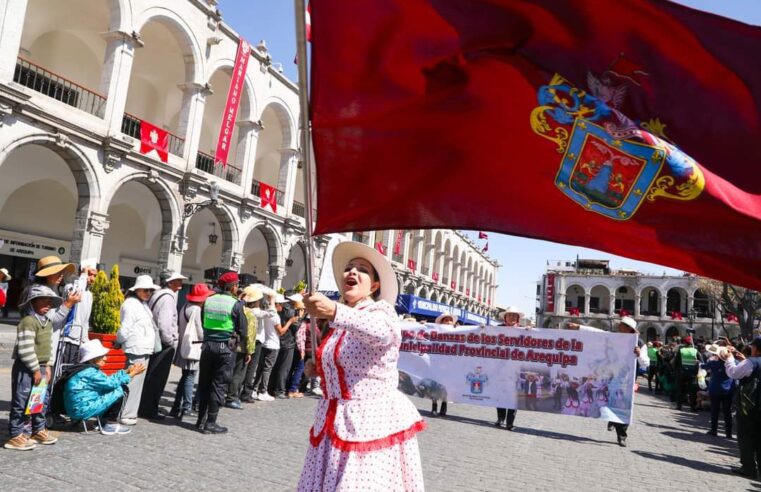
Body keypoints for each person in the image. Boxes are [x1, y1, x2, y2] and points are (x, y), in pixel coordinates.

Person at [298, 241, 425, 491]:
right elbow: (347, 364)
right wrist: (318, 369)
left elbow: (380, 333)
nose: (352, 272)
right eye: (349, 268)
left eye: (362, 269)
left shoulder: (381, 312)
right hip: (332, 422)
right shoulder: (340, 321)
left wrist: (335, 310)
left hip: (368, 424)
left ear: (374, 285)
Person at [566, 316, 648, 447]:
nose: (619, 326)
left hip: (627, 379)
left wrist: (639, 355)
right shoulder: (614, 337)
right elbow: (597, 332)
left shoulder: (639, 343)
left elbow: (645, 363)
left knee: (623, 405)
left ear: (629, 329)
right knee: (610, 401)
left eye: (622, 325)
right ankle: (614, 421)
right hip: (611, 377)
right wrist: (578, 327)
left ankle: (621, 434)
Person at [4, 285, 61, 450]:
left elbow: (49, 346)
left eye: (50, 301)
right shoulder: (28, 322)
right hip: (27, 367)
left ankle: (38, 430)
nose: (48, 304)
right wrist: (35, 369)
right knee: (21, 400)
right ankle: (15, 434)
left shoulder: (47, 322)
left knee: (40, 400)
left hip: (42, 367)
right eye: (44, 300)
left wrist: (48, 366)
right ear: (33, 302)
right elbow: (26, 348)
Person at [196, 272, 248, 434]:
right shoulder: (236, 304)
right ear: (232, 287)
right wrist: (244, 351)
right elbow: (243, 330)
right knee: (218, 384)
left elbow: (203, 320)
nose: (237, 288)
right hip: (225, 348)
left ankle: (200, 420)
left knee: (204, 382)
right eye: (237, 285)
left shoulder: (208, 300)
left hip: (207, 346)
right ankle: (211, 422)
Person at [63, 339, 146, 435]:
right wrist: (131, 374)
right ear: (92, 358)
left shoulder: (84, 369)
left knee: (109, 389)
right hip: (82, 410)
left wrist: (126, 371)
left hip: (75, 409)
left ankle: (102, 422)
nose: (105, 359)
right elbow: (111, 383)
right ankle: (111, 423)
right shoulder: (91, 372)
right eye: (102, 356)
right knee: (122, 389)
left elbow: (107, 381)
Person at [19, 256, 82, 368]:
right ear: (46, 274)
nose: (61, 275)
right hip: (37, 355)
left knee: (42, 383)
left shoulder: (49, 289)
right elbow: (51, 321)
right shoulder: (41, 292)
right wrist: (69, 304)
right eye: (57, 272)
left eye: (62, 272)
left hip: (45, 352)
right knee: (35, 383)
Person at [140, 272, 186, 420]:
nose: (181, 283)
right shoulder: (168, 299)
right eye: (177, 280)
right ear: (170, 282)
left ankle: (146, 406)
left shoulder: (158, 294)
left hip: (155, 341)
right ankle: (150, 409)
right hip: (162, 343)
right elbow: (164, 324)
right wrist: (171, 342)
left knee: (152, 376)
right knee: (158, 377)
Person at [116, 274, 161, 426]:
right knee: (132, 382)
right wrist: (119, 341)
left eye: (150, 290)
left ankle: (129, 412)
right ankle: (125, 413)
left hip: (143, 348)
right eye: (145, 290)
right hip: (136, 348)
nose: (148, 293)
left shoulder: (142, 304)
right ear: (137, 290)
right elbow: (125, 328)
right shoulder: (130, 304)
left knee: (136, 383)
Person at [171, 283, 214, 419]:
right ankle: (186, 408)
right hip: (192, 347)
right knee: (190, 377)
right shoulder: (195, 309)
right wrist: (206, 340)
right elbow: (199, 330)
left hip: (184, 345)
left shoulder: (185, 306)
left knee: (184, 377)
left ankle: (176, 407)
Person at [721, 337, 761, 478]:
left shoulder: (752, 361)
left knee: (746, 437)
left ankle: (748, 467)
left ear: (756, 348)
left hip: (749, 406)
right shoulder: (751, 361)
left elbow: (734, 373)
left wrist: (730, 358)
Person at [225, 285, 261, 409]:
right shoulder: (250, 314)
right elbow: (251, 335)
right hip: (242, 347)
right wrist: (250, 352)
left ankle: (228, 394)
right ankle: (232, 397)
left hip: (233, 344)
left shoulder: (239, 308)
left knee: (231, 371)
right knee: (238, 373)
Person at [58, 260, 97, 364]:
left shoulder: (89, 295)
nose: (92, 278)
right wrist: (84, 274)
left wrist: (85, 340)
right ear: (81, 273)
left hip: (79, 342)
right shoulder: (70, 287)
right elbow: (77, 293)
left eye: (94, 275)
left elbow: (85, 321)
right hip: (67, 340)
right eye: (89, 274)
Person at [495, 306, 527, 430]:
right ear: (505, 317)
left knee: (514, 396)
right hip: (500, 368)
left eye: (515, 315)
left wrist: (530, 331)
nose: (512, 317)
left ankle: (510, 422)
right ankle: (500, 418)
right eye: (510, 315)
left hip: (516, 370)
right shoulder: (496, 329)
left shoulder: (523, 331)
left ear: (518, 318)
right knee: (501, 394)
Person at [252, 292, 283, 401]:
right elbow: (281, 331)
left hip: (264, 343)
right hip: (273, 344)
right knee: (267, 369)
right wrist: (290, 322)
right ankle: (263, 391)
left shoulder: (264, 313)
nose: (282, 307)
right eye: (280, 304)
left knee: (261, 367)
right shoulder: (275, 316)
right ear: (276, 305)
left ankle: (254, 389)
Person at [702, 342, 734, 438]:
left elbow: (703, 366)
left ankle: (714, 430)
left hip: (715, 390)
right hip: (728, 390)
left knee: (715, 410)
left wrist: (699, 363)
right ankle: (728, 433)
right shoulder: (732, 364)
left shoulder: (714, 363)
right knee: (727, 412)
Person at [271, 294, 300, 399]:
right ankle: (280, 390)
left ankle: (271, 388)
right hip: (288, 342)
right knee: (284, 368)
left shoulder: (278, 310)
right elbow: (296, 328)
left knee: (276, 366)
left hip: (278, 341)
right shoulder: (291, 311)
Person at [431, 312, 457, 417]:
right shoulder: (435, 330)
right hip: (437, 362)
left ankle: (444, 405)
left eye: (450, 320)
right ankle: (434, 406)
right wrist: (422, 324)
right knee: (435, 386)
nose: (449, 322)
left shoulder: (456, 331)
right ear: (442, 322)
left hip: (449, 364)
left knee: (446, 386)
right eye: (446, 320)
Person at [673, 336, 702, 411]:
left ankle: (679, 406)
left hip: (682, 372)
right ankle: (692, 407)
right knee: (692, 391)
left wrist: (676, 371)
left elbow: (676, 362)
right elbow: (701, 361)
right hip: (692, 374)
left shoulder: (681, 350)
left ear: (684, 343)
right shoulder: (695, 351)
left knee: (680, 389)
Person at [286, 300, 308, 398]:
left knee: (292, 369)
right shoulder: (300, 321)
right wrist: (302, 351)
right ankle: (292, 389)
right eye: (303, 309)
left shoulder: (295, 320)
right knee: (299, 369)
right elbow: (300, 337)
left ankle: (288, 388)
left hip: (293, 347)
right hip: (298, 348)